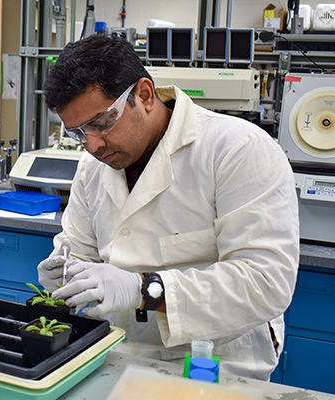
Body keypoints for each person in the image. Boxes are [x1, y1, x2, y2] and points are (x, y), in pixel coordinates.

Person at [38, 32, 299, 380]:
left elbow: (265, 282)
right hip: (119, 350)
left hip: (216, 359)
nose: (93, 145)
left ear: (144, 95)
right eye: (78, 133)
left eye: (101, 123)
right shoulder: (93, 167)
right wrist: (67, 270)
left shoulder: (237, 149)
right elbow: (81, 250)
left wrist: (145, 290)